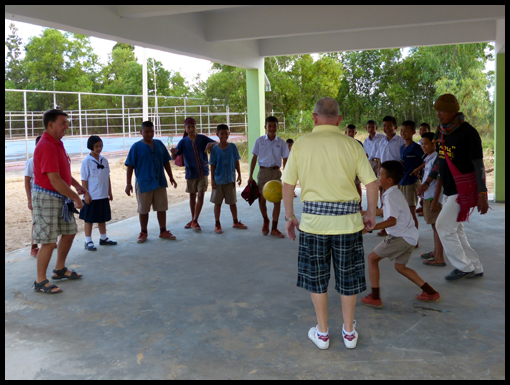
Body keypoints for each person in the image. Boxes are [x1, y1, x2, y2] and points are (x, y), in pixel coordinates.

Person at [282, 97, 378, 350]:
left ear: (314, 118)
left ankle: (322, 333)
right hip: (348, 225)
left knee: (317, 279)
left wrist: (290, 216)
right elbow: (371, 183)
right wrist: (370, 213)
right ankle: (348, 333)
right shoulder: (352, 145)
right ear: (338, 120)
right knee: (348, 279)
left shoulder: (301, 144)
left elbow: (288, 184)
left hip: (313, 225)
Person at [417, 94, 488, 281]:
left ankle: (464, 267)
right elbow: (440, 162)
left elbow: (478, 165)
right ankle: (475, 266)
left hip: (463, 189)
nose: (438, 114)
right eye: (437, 110)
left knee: (442, 226)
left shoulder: (468, 133)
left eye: (442, 110)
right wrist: (427, 182)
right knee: (456, 230)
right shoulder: (442, 131)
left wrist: (482, 193)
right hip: (448, 189)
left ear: (453, 111)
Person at [361, 161, 441, 309]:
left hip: (400, 237)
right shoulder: (394, 192)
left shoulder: (389, 196)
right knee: (400, 267)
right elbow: (384, 211)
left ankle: (375, 297)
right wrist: (363, 212)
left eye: (380, 174)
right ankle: (431, 293)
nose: (378, 176)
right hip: (410, 236)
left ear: (389, 180)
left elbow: (391, 220)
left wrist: (369, 228)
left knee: (372, 259)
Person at [32, 109, 87, 294]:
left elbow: (63, 172)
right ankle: (40, 281)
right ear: (50, 124)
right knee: (48, 240)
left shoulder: (57, 143)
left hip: (60, 195)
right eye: (63, 123)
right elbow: (54, 180)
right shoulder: (46, 145)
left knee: (69, 231)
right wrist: (75, 197)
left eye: (67, 122)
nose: (67, 126)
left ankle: (59, 269)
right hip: (48, 196)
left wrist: (77, 186)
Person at [125, 121, 178, 243]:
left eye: (151, 131)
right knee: (143, 209)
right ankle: (143, 232)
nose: (149, 134)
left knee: (161, 207)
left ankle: (163, 230)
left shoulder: (159, 144)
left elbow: (166, 162)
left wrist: (171, 177)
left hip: (159, 181)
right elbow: (130, 166)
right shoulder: (136, 147)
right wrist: (128, 184)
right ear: (141, 132)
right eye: (146, 132)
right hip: (144, 183)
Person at [170, 117, 217, 231]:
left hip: (203, 172)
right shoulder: (183, 142)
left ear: (196, 127)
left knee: (200, 194)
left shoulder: (202, 138)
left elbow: (216, 143)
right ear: (185, 128)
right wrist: (173, 153)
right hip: (190, 173)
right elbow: (174, 157)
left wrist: (211, 144)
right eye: (188, 127)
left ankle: (195, 220)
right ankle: (193, 219)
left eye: (193, 126)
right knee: (192, 196)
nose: (191, 129)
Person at [248, 116, 289, 238]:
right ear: (265, 127)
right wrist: (250, 175)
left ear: (277, 127)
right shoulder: (259, 141)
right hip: (263, 173)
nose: (272, 128)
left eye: (274, 126)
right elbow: (254, 158)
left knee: (277, 200)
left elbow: (286, 159)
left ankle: (274, 228)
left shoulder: (281, 143)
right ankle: (265, 220)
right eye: (269, 126)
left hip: (276, 173)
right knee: (262, 200)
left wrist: (286, 176)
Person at [79, 135, 117, 251]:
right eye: (96, 146)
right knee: (89, 219)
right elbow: (84, 179)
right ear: (90, 147)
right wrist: (86, 194)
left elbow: (107, 177)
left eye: (100, 146)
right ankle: (88, 241)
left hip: (103, 194)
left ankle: (103, 238)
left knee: (102, 218)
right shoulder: (86, 162)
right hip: (92, 196)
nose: (99, 148)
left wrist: (109, 191)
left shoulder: (104, 160)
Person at [209, 124, 247, 234]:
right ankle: (217, 224)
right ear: (217, 134)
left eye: (226, 133)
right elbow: (212, 165)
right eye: (221, 133)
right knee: (217, 203)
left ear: (229, 134)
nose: (224, 135)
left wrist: (239, 174)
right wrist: (212, 180)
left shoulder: (233, 147)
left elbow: (236, 161)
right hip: (218, 180)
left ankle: (235, 221)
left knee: (232, 202)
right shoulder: (215, 150)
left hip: (230, 179)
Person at [416, 132, 445, 266]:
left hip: (434, 196)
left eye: (426, 143)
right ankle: (435, 252)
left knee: (437, 227)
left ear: (434, 143)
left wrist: (435, 200)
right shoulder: (428, 158)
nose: (423, 146)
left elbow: (439, 180)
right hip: (428, 195)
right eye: (422, 144)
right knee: (434, 226)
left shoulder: (437, 158)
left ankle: (439, 257)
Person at [376, 116, 405, 236]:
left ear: (395, 127)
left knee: (396, 201)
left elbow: (402, 160)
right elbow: (379, 160)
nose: (386, 128)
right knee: (385, 201)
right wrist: (379, 174)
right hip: (384, 176)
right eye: (384, 125)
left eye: (389, 125)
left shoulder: (400, 141)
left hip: (395, 176)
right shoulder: (382, 141)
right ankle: (385, 226)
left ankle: (401, 227)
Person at [399, 121, 424, 242]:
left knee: (411, 212)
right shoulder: (402, 148)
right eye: (401, 130)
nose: (403, 133)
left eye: (406, 130)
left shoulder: (417, 148)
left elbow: (428, 160)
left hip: (412, 182)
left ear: (413, 132)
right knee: (403, 212)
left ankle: (415, 239)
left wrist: (418, 169)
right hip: (402, 182)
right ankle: (406, 236)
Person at [25, 135, 42, 257]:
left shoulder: (48, 159)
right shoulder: (31, 162)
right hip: (35, 196)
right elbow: (27, 181)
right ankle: (34, 246)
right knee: (36, 221)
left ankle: (48, 242)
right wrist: (29, 199)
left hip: (47, 195)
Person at [345, 124, 365, 209]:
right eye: (349, 132)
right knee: (346, 186)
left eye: (352, 132)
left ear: (355, 133)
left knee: (357, 186)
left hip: (356, 168)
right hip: (346, 168)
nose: (350, 133)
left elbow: (362, 156)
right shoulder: (343, 143)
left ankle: (359, 205)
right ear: (346, 132)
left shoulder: (358, 143)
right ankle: (348, 204)